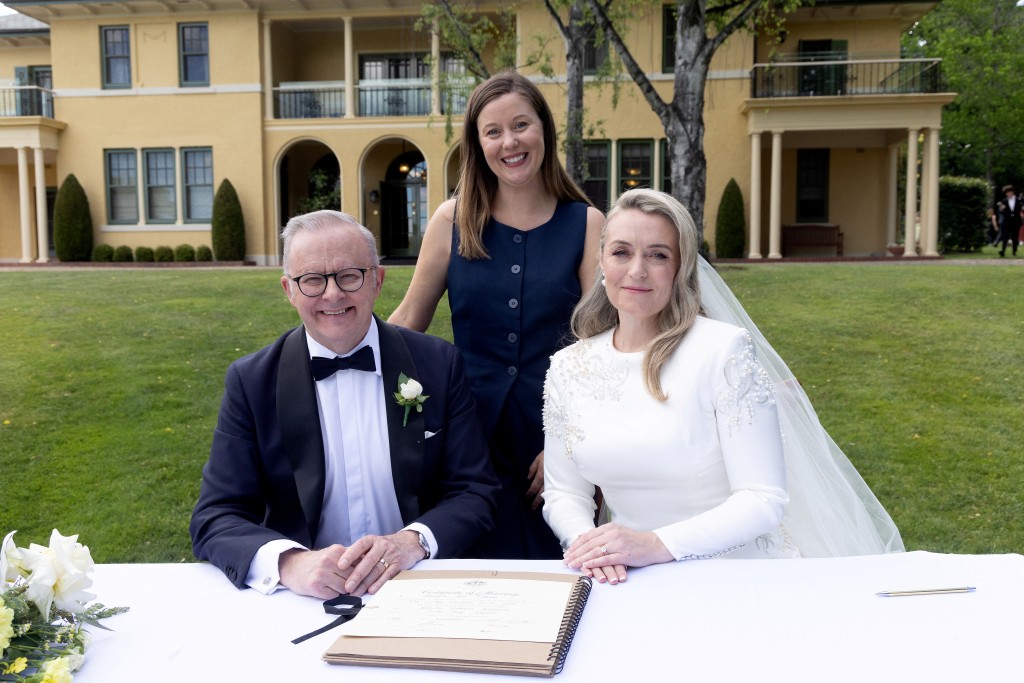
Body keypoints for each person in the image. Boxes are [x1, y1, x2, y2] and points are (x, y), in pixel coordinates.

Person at [542, 188, 904, 585]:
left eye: (658, 255)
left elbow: (762, 498)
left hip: (735, 574)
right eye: (621, 252)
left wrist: (654, 544)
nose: (638, 271)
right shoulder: (568, 367)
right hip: (626, 578)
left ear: (681, 267)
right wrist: (590, 546)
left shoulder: (722, 352)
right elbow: (565, 494)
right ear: (601, 259)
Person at [190, 210, 499, 599]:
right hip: (304, 600)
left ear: (377, 280)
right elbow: (215, 517)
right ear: (289, 290)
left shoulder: (438, 364)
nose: (332, 294)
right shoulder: (252, 382)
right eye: (312, 280)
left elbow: (476, 491)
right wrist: (290, 563)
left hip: (418, 586)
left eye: (349, 276)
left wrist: (413, 542)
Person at [388, 70, 604, 560]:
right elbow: (409, 320)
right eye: (493, 131)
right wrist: (336, 351)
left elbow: (604, 350)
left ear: (545, 131)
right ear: (477, 143)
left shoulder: (587, 224)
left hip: (550, 439)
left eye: (521, 125)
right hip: (467, 437)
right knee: (468, 575)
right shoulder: (452, 219)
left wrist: (573, 449)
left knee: (563, 572)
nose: (510, 142)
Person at [997, 185, 1021, 257]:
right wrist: (1002, 209)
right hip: (1006, 221)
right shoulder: (1003, 201)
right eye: (1007, 193)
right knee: (1005, 237)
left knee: (1015, 237)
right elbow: (1001, 212)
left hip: (1016, 221)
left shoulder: (1018, 200)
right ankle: (1003, 251)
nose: (1008, 194)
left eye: (1009, 192)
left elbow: (1020, 209)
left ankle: (1014, 251)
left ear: (1012, 192)